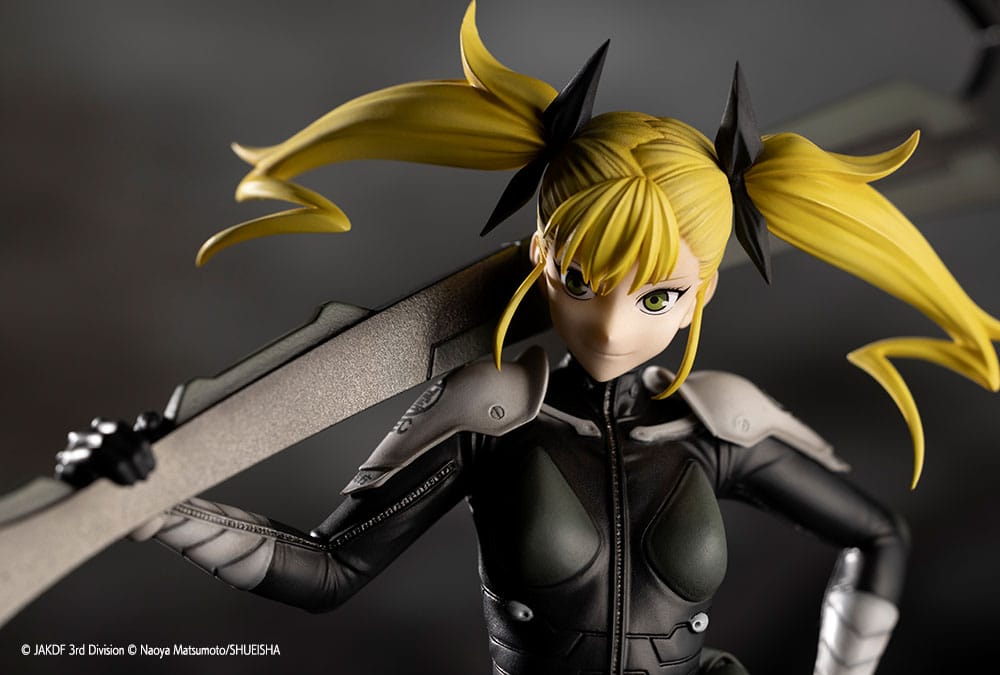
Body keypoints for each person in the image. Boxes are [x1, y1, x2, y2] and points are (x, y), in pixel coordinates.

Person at [56, 3, 1000, 674]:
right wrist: (156, 501)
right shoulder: (492, 410)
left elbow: (877, 534)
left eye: (659, 294)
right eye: (581, 281)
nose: (612, 324)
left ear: (703, 288)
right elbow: (329, 569)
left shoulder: (719, 421)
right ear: (540, 256)